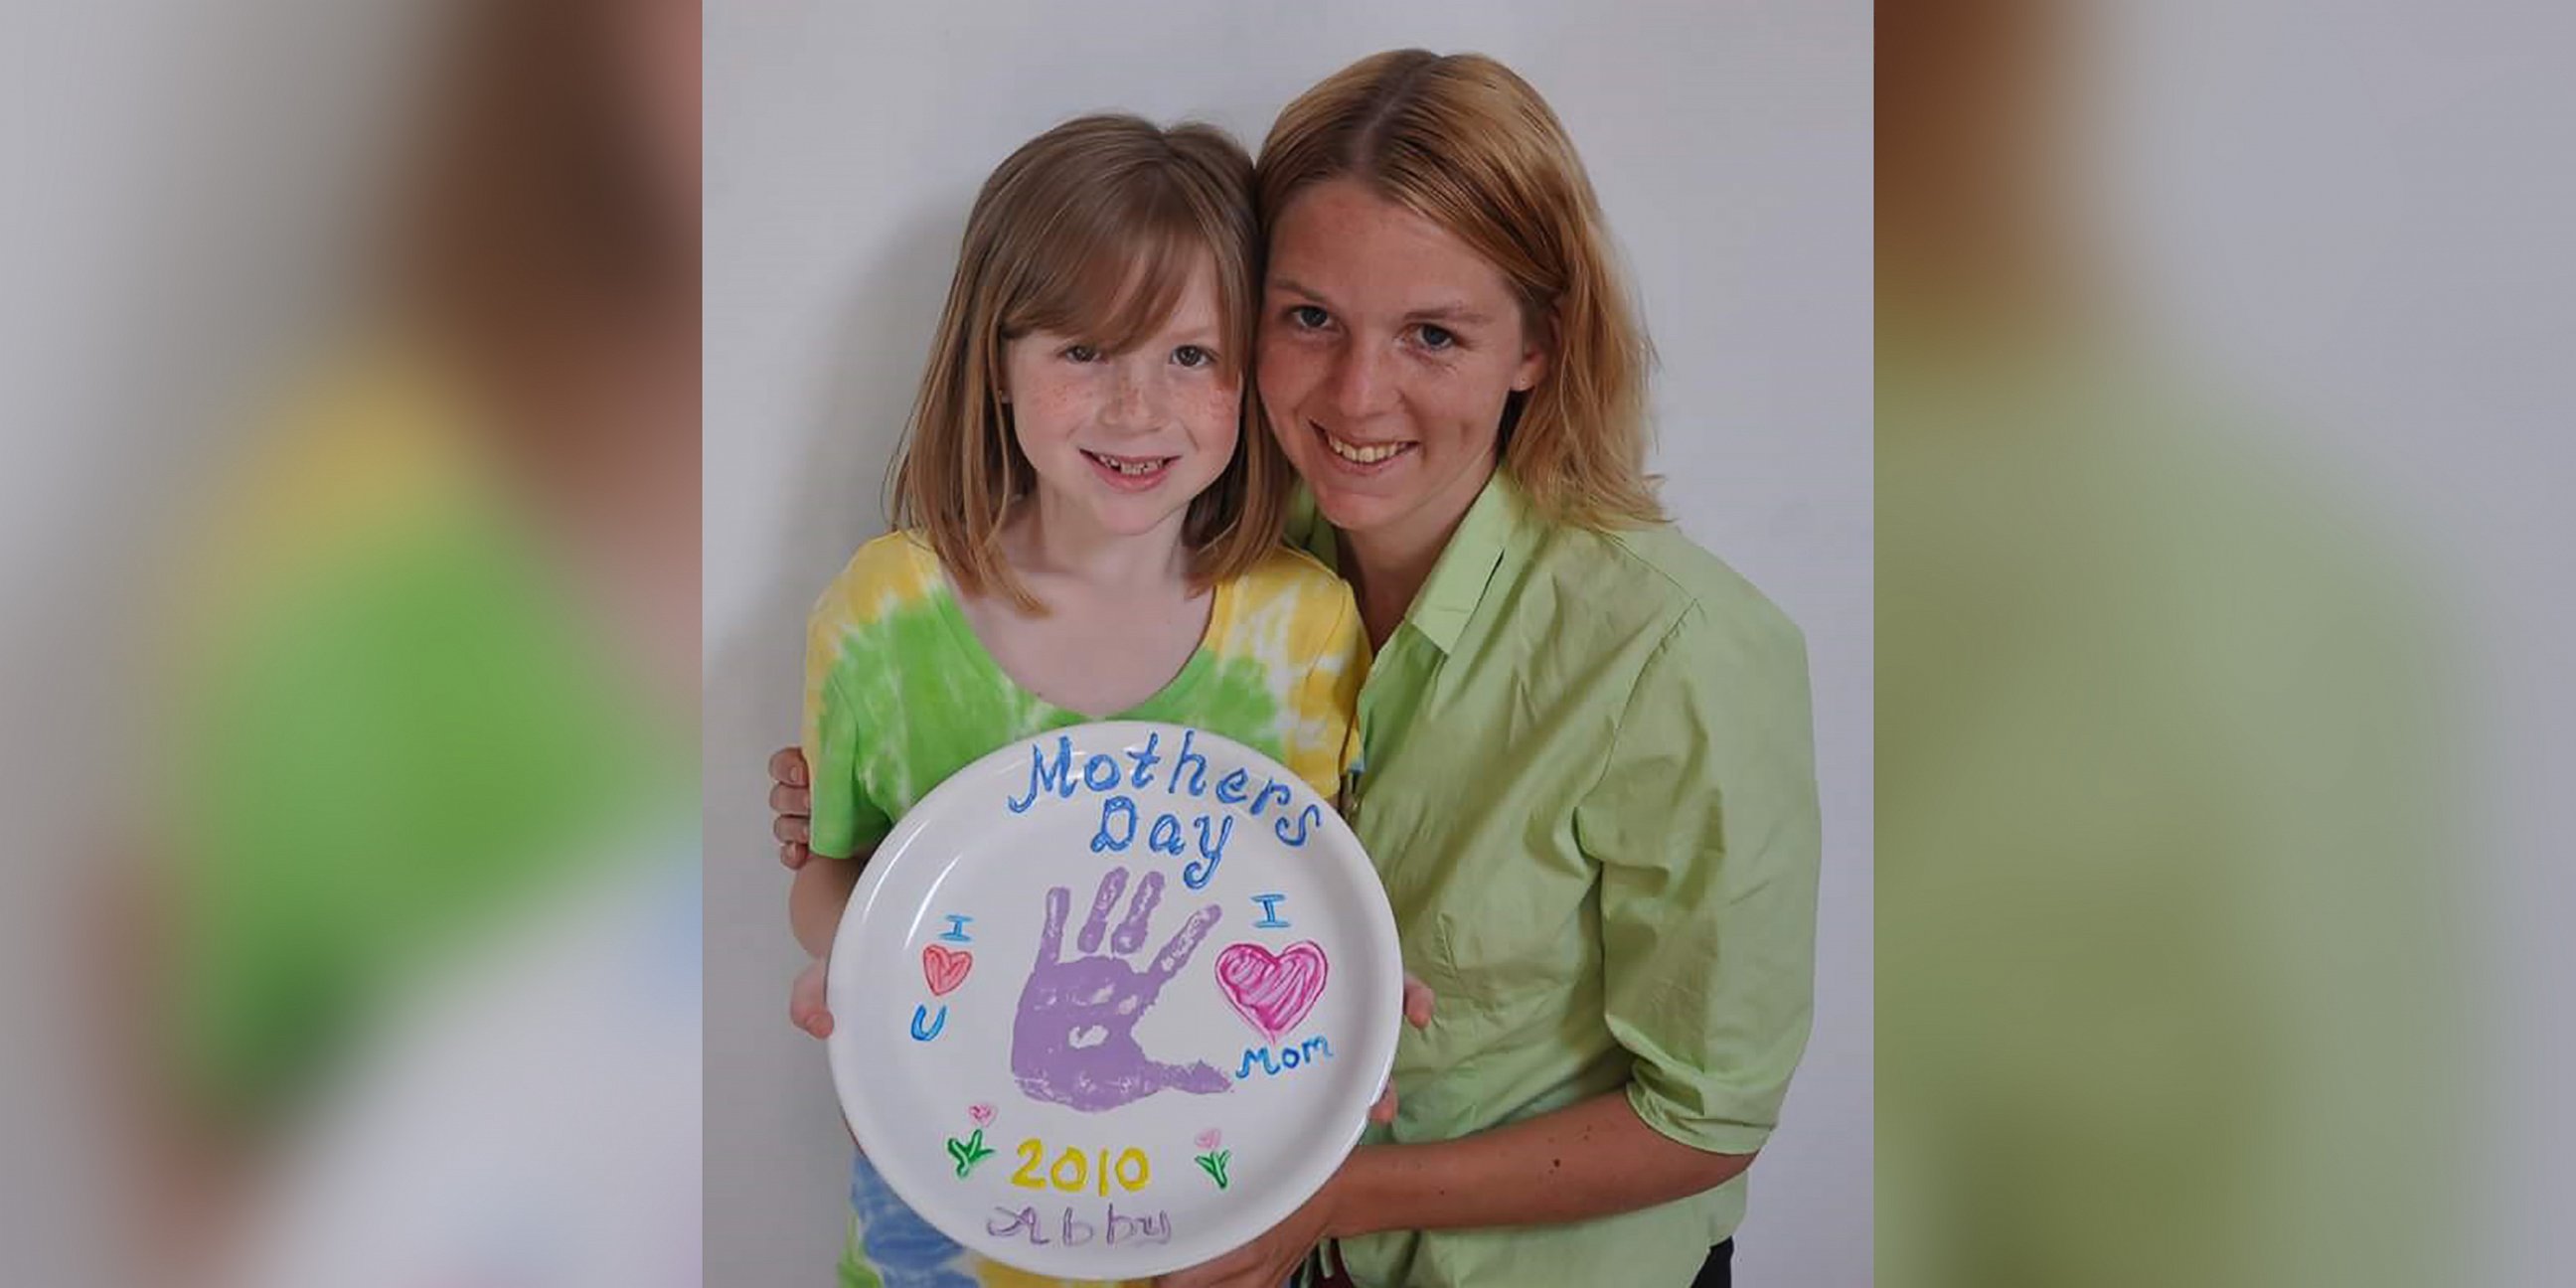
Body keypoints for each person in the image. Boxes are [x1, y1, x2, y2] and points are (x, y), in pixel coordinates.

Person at [778, 51, 1822, 1288]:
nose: (1358, 393)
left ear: (1539, 342)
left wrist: (1334, 1193)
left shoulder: (1683, 655)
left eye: (1434, 333)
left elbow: (1704, 1118)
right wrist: (890, 885)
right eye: (1310, 318)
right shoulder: (1244, 567)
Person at [784, 113, 1374, 1288]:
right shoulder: (886, 616)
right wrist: (858, 966)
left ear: (1245, 375)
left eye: (1188, 357)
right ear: (995, 365)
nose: (1136, 409)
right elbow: (829, 870)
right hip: (941, 1231)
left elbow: (1310, 901)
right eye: (1085, 352)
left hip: (1213, 1230)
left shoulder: (1303, 631)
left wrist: (1353, 1007)